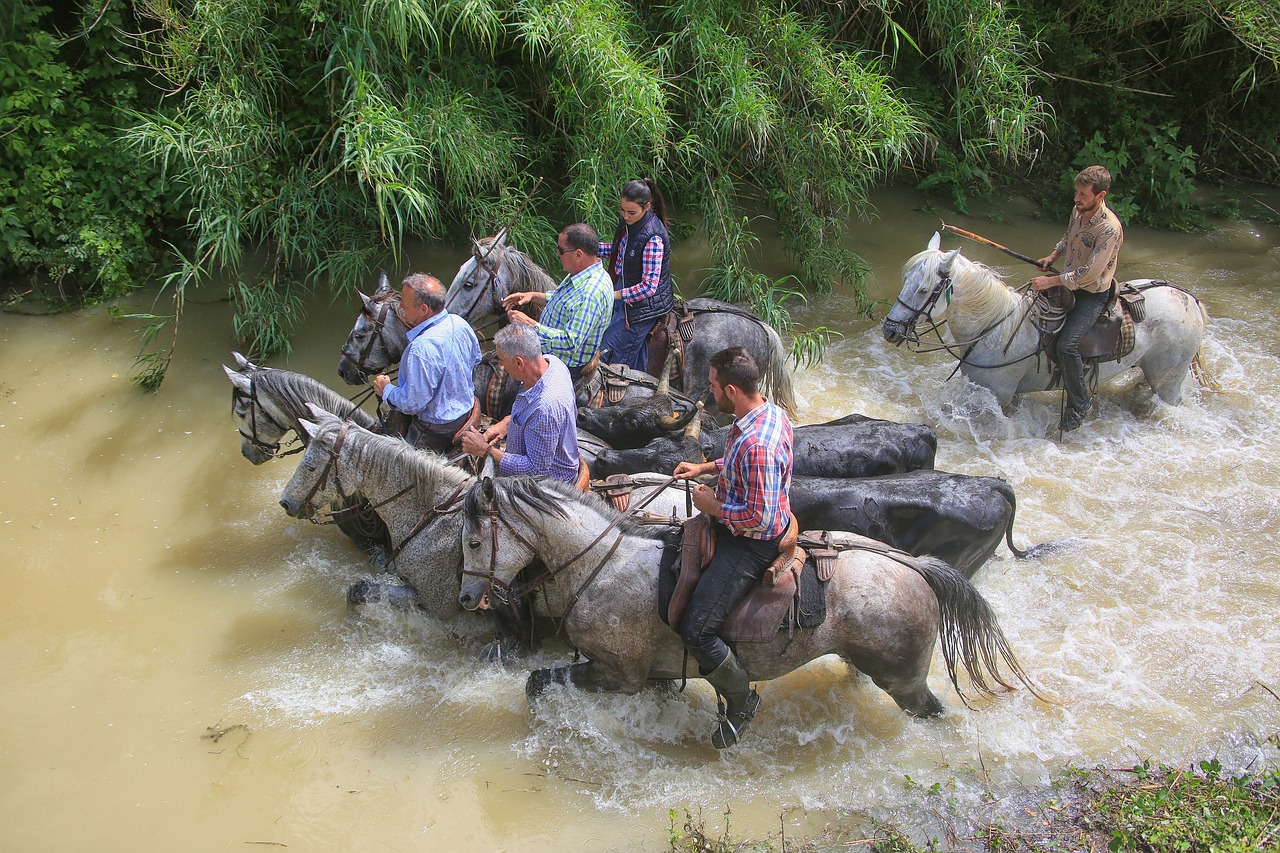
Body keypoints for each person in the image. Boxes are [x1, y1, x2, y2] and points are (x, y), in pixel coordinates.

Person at [672, 347, 794, 749]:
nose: (709, 394)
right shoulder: (767, 412)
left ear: (730, 389)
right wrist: (706, 467)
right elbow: (740, 462)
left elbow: (760, 519)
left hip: (752, 544)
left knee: (697, 629)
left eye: (711, 387)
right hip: (745, 518)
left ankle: (743, 702)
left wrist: (714, 507)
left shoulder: (758, 442)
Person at [1032, 165, 1125, 432]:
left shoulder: (1109, 229)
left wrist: (1051, 280)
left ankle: (1080, 405)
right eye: (1076, 192)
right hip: (1067, 282)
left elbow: (1089, 273)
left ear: (1101, 194)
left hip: (1091, 294)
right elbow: (1068, 238)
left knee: (1067, 346)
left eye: (1083, 194)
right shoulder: (1079, 211)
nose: (1076, 198)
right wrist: (1052, 257)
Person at [459, 323, 581, 483]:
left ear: (519, 363)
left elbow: (535, 469)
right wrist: (507, 423)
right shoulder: (553, 363)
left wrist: (485, 450)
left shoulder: (544, 408)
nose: (501, 366)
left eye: (502, 360)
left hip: (547, 483)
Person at [372, 273, 481, 453]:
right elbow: (475, 360)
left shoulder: (420, 348)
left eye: (404, 304)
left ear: (423, 309)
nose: (400, 306)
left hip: (437, 428)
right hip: (466, 410)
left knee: (398, 467)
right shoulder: (459, 322)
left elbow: (412, 404)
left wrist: (386, 390)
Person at [502, 223, 612, 383]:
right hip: (551, 352)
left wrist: (530, 324)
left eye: (561, 250)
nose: (557, 254)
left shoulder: (591, 293)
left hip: (564, 365)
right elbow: (566, 300)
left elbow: (570, 342)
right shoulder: (582, 273)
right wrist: (532, 296)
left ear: (578, 255)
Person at [598, 178, 675, 371]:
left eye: (631, 212)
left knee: (606, 355)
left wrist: (613, 295)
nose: (625, 216)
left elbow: (649, 287)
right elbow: (620, 252)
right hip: (623, 290)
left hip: (642, 308)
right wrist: (589, 247)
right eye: (622, 210)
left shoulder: (653, 237)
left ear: (646, 206)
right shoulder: (629, 223)